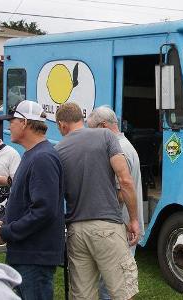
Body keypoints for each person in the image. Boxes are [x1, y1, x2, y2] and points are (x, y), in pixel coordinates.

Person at [55, 102, 140, 300]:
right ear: (81, 119)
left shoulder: (57, 150)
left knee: (83, 295)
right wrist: (134, 219)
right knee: (123, 292)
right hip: (107, 227)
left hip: (75, 230)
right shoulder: (106, 135)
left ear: (62, 124)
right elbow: (125, 181)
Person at [0, 100, 65, 300]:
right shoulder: (34, 155)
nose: (8, 126)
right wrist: (5, 221)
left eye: (11, 121)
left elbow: (44, 210)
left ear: (24, 123)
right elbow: (28, 202)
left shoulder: (42, 158)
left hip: (34, 257)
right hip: (27, 253)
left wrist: (6, 232)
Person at [87, 106, 144, 300]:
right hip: (122, 225)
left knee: (111, 287)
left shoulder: (118, 150)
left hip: (120, 225)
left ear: (103, 126)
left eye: (91, 129)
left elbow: (120, 192)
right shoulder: (124, 145)